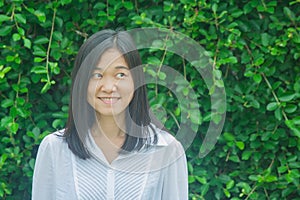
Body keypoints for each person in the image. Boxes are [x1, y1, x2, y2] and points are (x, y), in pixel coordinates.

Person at [32, 29, 188, 200]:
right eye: (97, 75)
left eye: (120, 74)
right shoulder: (55, 149)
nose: (108, 86)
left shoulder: (167, 151)